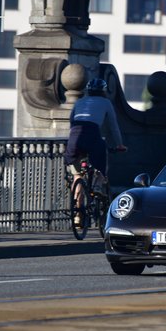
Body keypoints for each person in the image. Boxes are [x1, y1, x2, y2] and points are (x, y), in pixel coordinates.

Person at [66, 77, 127, 225]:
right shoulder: (105, 102)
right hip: (92, 135)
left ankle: (78, 217)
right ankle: (99, 185)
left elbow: (71, 121)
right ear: (103, 92)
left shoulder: (79, 102)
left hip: (74, 137)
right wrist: (119, 144)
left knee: (77, 177)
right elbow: (113, 126)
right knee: (101, 160)